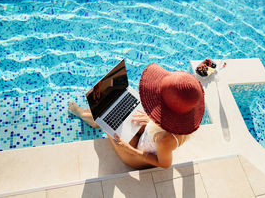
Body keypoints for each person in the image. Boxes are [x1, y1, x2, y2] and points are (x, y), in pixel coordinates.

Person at [68, 63, 205, 169]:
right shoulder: (179, 121)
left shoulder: (165, 141)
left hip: (137, 156)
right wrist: (152, 119)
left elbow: (164, 164)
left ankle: (86, 116)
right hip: (148, 137)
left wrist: (130, 150)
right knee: (119, 113)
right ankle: (95, 116)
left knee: (106, 121)